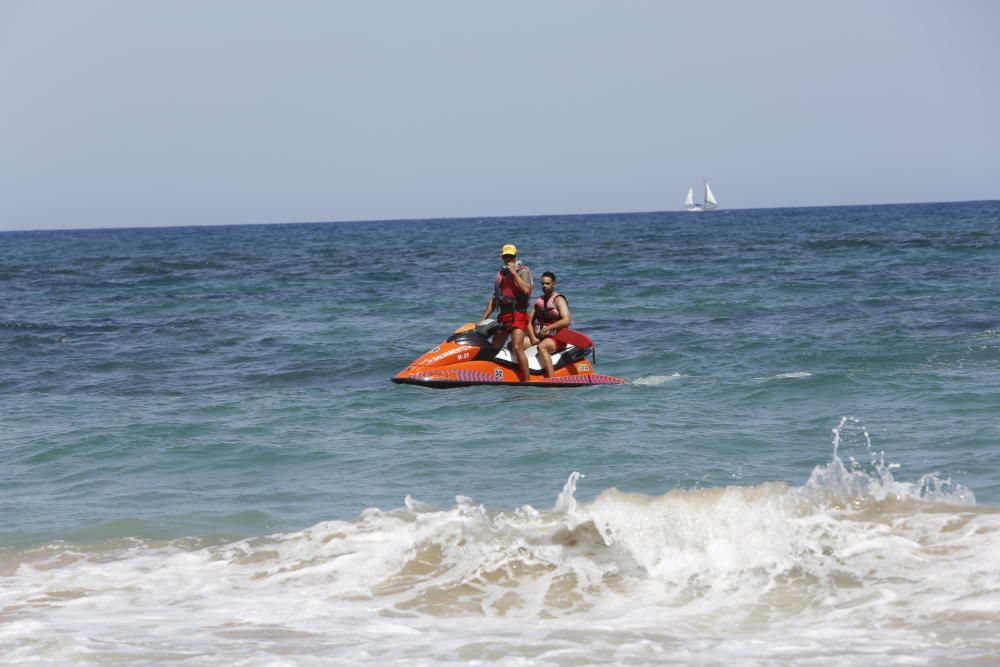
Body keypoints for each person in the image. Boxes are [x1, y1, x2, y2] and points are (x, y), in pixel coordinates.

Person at [482, 244, 533, 381]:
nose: (508, 259)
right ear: (502, 258)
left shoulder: (523, 271)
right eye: (506, 257)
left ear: (516, 257)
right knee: (494, 347)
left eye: (511, 257)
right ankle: (490, 374)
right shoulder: (501, 274)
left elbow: (526, 290)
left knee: (517, 347)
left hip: (518, 314)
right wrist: (483, 319)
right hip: (504, 316)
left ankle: (527, 380)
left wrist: (514, 273)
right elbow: (494, 299)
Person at [527, 271, 572, 378]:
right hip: (540, 336)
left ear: (554, 284)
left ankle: (552, 378)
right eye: (543, 284)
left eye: (547, 283)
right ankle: (523, 374)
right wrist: (532, 337)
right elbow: (528, 321)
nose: (544, 286)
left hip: (558, 338)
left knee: (542, 347)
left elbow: (567, 320)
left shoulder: (559, 300)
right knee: (516, 344)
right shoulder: (539, 301)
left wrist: (548, 328)